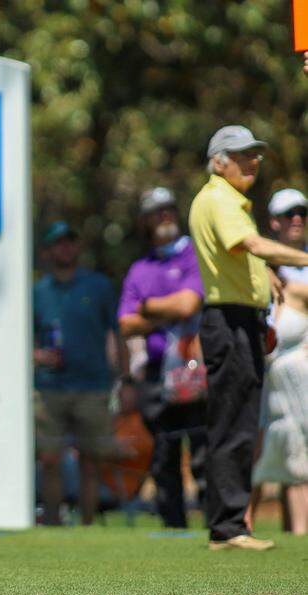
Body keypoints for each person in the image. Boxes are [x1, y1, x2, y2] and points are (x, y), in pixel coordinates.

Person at [189, 125, 308, 550]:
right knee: (233, 424)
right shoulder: (220, 199)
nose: (252, 162)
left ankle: (230, 524)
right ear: (219, 161)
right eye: (242, 155)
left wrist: (266, 276)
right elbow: (252, 244)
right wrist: (299, 258)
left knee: (238, 422)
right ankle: (228, 528)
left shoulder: (227, 200)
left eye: (255, 155)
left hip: (239, 318)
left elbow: (241, 255)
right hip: (230, 320)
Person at [117, 187, 207, 529]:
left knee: (203, 452)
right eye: (156, 211)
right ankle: (173, 529)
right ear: (145, 221)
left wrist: (149, 306)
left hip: (195, 370)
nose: (164, 216)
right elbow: (126, 324)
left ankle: (218, 528)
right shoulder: (139, 269)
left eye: (169, 208)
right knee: (163, 457)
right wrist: (170, 311)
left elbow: (189, 305)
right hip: (157, 375)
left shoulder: (193, 256)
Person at [33, 221, 125, 526]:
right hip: (49, 387)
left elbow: (117, 333)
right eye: (59, 243)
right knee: (49, 459)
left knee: (91, 460)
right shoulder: (37, 291)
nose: (66, 247)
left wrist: (124, 379)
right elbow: (21, 340)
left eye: (71, 241)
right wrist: (37, 355)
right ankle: (53, 523)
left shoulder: (98, 286)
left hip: (93, 384)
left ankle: (87, 526)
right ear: (47, 251)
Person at [249, 188, 308, 535]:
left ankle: (298, 534)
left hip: (297, 373)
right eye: (289, 214)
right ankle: (239, 528)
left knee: (298, 453)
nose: (297, 219)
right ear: (274, 222)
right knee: (255, 454)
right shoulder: (258, 264)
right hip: (261, 374)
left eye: (302, 212)